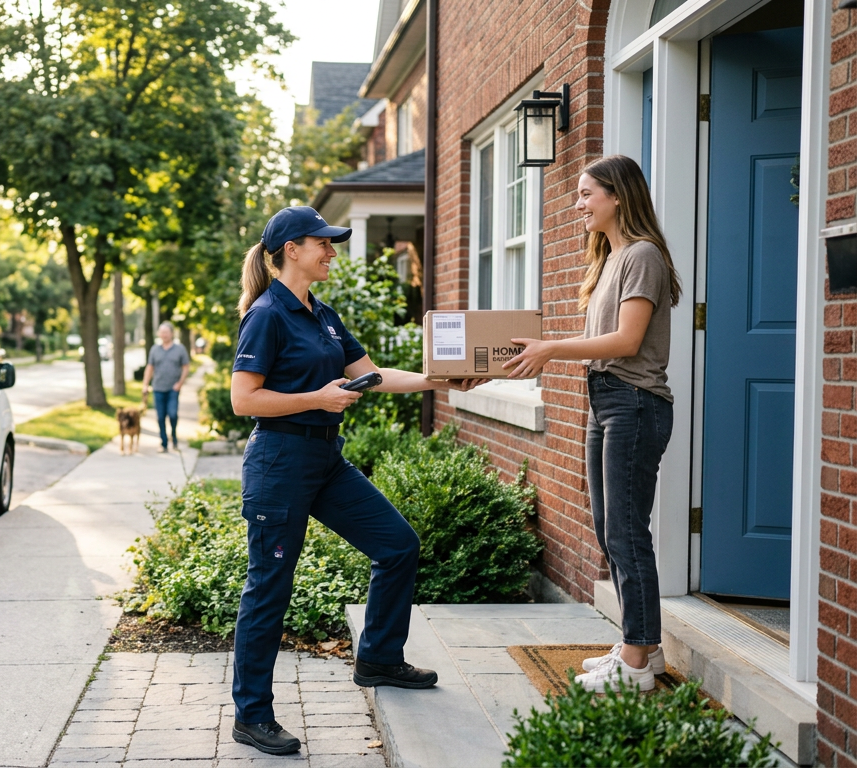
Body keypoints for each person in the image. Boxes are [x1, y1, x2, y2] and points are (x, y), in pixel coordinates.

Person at [228, 206, 485, 756]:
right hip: (278, 462)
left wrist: (442, 380)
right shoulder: (268, 314)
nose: (331, 250)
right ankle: (251, 715)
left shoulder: (321, 313)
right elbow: (244, 399)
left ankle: (378, 658)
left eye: (332, 242)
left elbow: (369, 374)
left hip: (324, 461)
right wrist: (317, 399)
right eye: (322, 242)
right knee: (269, 589)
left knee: (397, 545)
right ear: (291, 249)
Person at [503, 155, 681, 693]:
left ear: (617, 196)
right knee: (610, 530)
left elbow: (627, 342)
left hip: (634, 401)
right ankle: (640, 649)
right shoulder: (611, 259)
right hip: (605, 400)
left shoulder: (643, 256)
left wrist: (552, 348)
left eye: (586, 195)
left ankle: (634, 662)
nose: (577, 204)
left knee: (626, 533)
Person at [142, 322, 191, 452]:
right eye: (161, 332)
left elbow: (186, 367)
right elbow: (150, 368)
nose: (164, 335)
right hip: (158, 388)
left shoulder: (180, 349)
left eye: (166, 332)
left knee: (173, 414)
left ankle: (174, 438)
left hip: (173, 389)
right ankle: (163, 443)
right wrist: (145, 385)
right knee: (160, 417)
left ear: (171, 333)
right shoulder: (154, 349)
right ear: (159, 334)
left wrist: (179, 383)